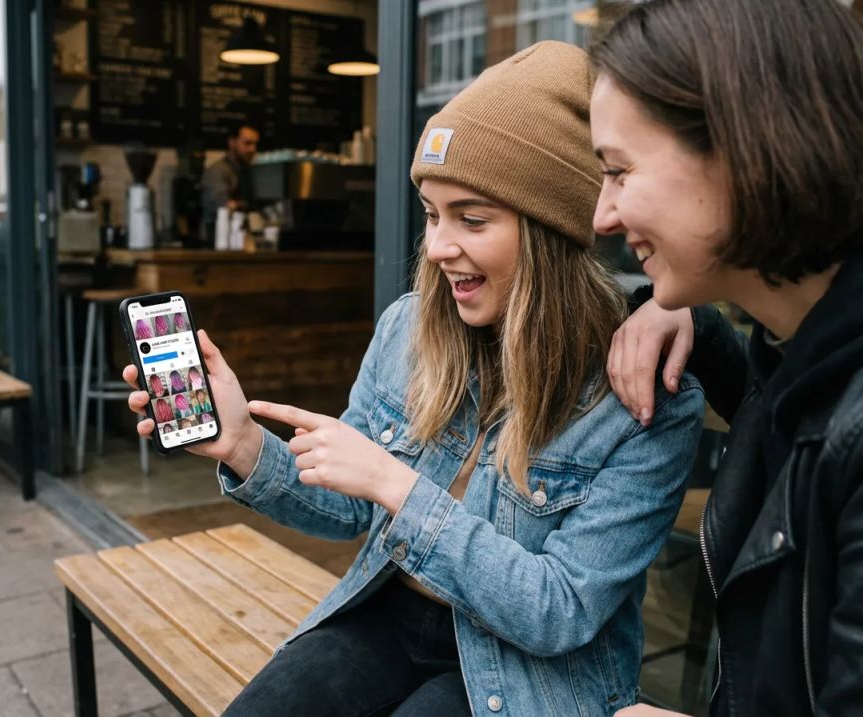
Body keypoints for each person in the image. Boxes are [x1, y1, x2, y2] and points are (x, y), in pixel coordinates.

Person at [125, 42, 704, 715]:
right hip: (387, 612)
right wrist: (245, 445)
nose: (436, 246)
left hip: (526, 671)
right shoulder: (409, 326)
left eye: (472, 218)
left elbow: (561, 611)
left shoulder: (645, 398)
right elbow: (348, 510)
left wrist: (396, 485)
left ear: (554, 231)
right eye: (432, 213)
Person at [587, 1, 863, 714]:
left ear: (743, 149)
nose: (602, 216)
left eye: (619, 171)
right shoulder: (796, 350)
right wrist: (689, 316)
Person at [201, 123, 260, 241]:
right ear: (232, 142)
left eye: (255, 144)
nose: (253, 149)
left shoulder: (248, 170)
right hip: (218, 241)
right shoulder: (218, 171)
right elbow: (223, 206)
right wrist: (245, 205)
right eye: (247, 143)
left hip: (240, 238)